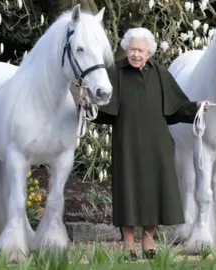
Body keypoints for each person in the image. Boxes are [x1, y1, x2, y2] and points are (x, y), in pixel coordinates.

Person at [78, 27, 209, 261]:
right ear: (126, 50)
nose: (135, 54)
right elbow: (103, 112)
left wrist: (198, 107)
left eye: (140, 50)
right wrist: (86, 105)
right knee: (128, 191)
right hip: (126, 143)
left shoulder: (160, 73)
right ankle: (129, 244)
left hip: (156, 144)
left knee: (154, 191)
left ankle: (148, 238)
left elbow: (177, 108)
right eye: (132, 49)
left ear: (149, 52)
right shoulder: (114, 72)